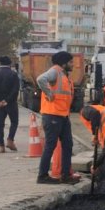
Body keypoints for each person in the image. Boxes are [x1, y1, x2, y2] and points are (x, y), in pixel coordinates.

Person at [36, 50, 80, 185]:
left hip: (62, 116)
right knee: (51, 145)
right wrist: (49, 93)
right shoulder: (55, 71)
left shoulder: (64, 75)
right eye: (71, 62)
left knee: (68, 145)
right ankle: (42, 176)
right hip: (53, 115)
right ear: (64, 63)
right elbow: (40, 79)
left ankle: (66, 175)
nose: (73, 64)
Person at [0, 55, 21, 153]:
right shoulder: (13, 74)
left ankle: (1, 146)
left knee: (0, 124)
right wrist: (7, 100)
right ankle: (10, 140)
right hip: (11, 103)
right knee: (14, 122)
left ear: (0, 63)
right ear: (10, 63)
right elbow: (15, 90)